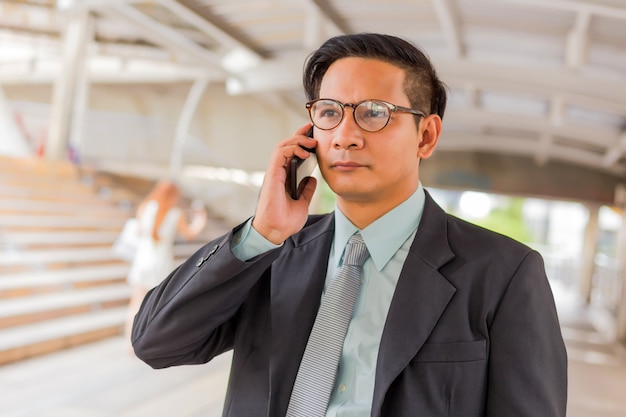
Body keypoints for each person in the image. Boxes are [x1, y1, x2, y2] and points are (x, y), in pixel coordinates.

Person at [131, 33, 567, 416]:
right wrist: (261, 234)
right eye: (329, 112)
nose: (345, 135)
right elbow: (156, 342)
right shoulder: (273, 253)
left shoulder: (503, 274)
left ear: (427, 136)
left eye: (374, 113)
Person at [124, 180, 206, 341]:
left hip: (142, 259)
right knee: (155, 305)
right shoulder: (175, 214)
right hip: (161, 263)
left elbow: (140, 231)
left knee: (135, 303)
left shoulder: (145, 207)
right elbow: (190, 234)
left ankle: (129, 340)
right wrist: (201, 219)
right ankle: (148, 340)